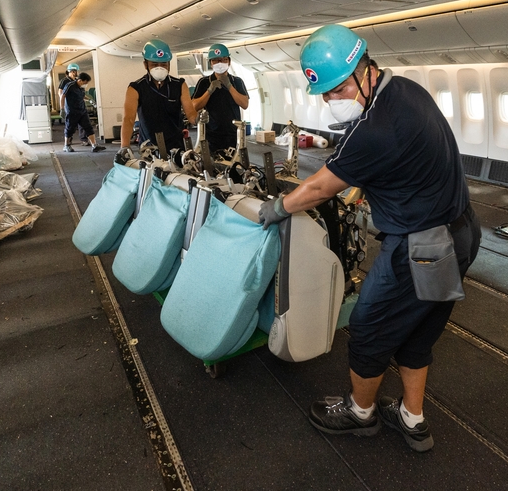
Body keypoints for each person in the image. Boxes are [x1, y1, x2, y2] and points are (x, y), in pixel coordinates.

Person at [257, 24, 480, 452]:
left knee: (367, 327)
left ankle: (360, 413)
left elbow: (321, 187)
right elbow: (405, 162)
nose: (330, 101)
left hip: (421, 249)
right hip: (462, 231)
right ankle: (412, 419)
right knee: (419, 329)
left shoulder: (373, 129)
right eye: (324, 94)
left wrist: (277, 209)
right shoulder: (407, 92)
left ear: (364, 70)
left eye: (337, 90)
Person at [117, 39, 197, 162]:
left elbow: (191, 114)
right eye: (154, 64)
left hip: (176, 145)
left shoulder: (179, 85)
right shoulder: (136, 88)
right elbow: (128, 119)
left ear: (169, 64)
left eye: (164, 64)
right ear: (146, 65)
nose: (160, 68)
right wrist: (124, 146)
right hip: (149, 147)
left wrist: (199, 120)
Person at [190, 43, 250, 153]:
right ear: (211, 63)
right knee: (211, 167)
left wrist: (229, 86)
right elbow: (194, 106)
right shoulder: (204, 82)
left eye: (223, 60)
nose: (220, 63)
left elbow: (244, 104)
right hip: (211, 135)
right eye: (216, 60)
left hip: (232, 134)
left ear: (229, 62)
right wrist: (209, 91)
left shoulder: (237, 81)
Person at [61, 72, 105, 152]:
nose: (86, 84)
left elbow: (82, 95)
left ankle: (94, 145)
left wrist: (89, 99)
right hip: (72, 112)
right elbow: (62, 96)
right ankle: (66, 145)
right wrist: (62, 109)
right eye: (85, 82)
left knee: (88, 127)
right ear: (80, 80)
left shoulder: (81, 88)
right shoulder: (70, 85)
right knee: (70, 129)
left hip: (82, 111)